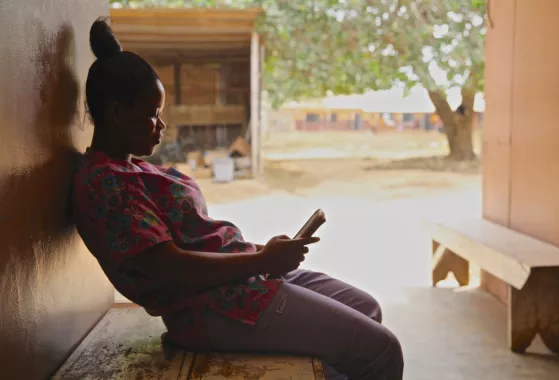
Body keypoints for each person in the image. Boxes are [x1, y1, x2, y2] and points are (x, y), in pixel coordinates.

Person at [72, 18, 404, 380]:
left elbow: (198, 240)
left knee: (366, 308)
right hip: (210, 306)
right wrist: (260, 259)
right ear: (118, 113)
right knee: (382, 352)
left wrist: (264, 254)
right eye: (153, 114)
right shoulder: (105, 185)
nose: (161, 126)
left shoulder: (133, 169)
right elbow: (171, 268)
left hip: (244, 276)